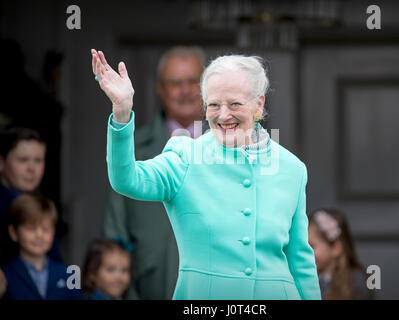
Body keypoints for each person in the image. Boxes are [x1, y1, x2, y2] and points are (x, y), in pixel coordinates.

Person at [92, 48, 321, 299]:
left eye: (235, 103)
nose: (224, 115)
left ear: (259, 103)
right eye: (213, 105)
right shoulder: (185, 156)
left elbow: (300, 260)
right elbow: (127, 180)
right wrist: (122, 113)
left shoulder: (292, 168)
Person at [103, 46, 206, 299]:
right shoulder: (132, 146)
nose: (185, 90)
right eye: (175, 83)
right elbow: (115, 230)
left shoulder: (231, 147)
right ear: (160, 88)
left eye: (193, 81)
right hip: (148, 288)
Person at [0, 128, 63, 267]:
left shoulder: (43, 205)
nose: (31, 168)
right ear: (1, 163)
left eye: (38, 160)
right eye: (23, 160)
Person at [1, 194, 83, 300]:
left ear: (54, 232)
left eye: (46, 229)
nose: (39, 235)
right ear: (13, 232)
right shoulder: (5, 275)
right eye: (31, 228)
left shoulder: (70, 274)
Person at [308, 208, 373, 300]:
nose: (306, 253)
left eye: (311, 246)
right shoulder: (306, 279)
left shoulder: (355, 281)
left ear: (335, 248)